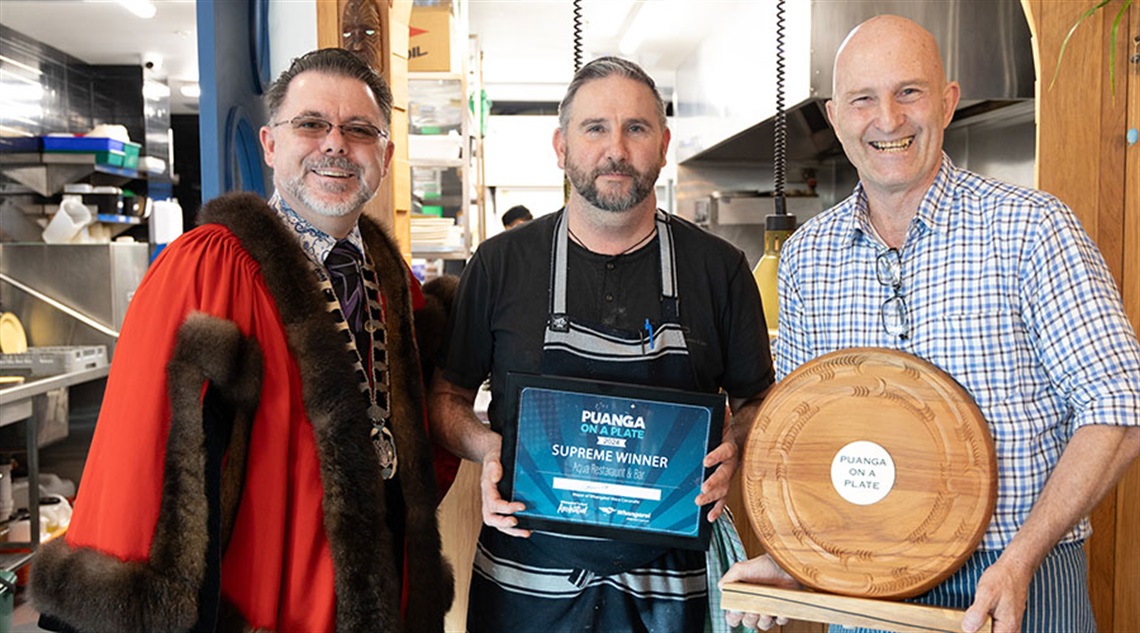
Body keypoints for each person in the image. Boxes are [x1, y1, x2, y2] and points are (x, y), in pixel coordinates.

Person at [720, 15, 1140, 633]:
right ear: (836, 119)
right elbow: (804, 442)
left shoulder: (1031, 228)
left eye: (908, 92)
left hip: (1018, 578)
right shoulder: (807, 258)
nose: (887, 119)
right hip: (863, 586)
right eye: (863, 98)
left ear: (947, 102)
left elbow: (1119, 406)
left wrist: (1022, 558)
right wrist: (798, 564)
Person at [30, 48, 454, 632]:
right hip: (262, 596)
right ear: (270, 144)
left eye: (359, 130)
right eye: (310, 124)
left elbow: (425, 443)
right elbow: (142, 450)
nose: (335, 144)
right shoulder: (208, 267)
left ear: (384, 154)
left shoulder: (397, 285)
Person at [429, 56, 774, 632]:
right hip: (524, 586)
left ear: (663, 145)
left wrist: (735, 443)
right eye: (595, 128)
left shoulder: (720, 269)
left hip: (671, 591)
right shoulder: (500, 263)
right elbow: (446, 397)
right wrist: (488, 450)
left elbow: (759, 401)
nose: (616, 148)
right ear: (561, 146)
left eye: (636, 128)